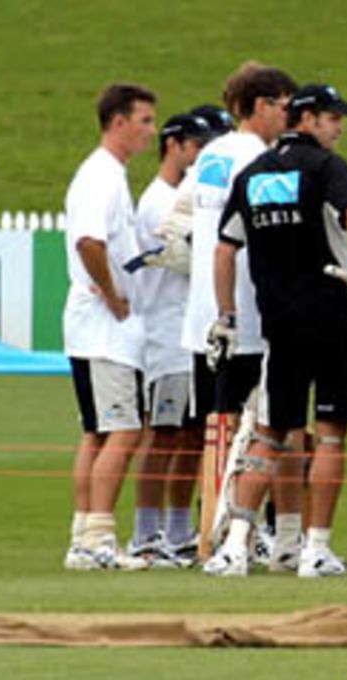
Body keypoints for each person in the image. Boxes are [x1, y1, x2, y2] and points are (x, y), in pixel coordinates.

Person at [205, 83, 347, 578]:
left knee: (271, 432)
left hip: (278, 320)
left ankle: (236, 546)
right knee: (328, 435)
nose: (339, 126)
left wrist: (227, 313)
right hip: (331, 313)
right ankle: (315, 549)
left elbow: (224, 249)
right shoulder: (326, 167)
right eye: (332, 117)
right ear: (307, 118)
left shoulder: (253, 172)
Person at [177, 63, 301, 566]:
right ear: (263, 105)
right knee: (254, 429)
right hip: (245, 314)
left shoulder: (211, 153)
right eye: (284, 106)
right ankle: (234, 534)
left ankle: (218, 531)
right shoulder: (258, 159)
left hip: (204, 316)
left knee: (218, 427)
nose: (289, 116)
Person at [61, 83, 158, 571]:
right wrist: (114, 293)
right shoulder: (101, 176)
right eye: (144, 120)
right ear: (118, 122)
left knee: (98, 433)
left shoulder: (105, 174)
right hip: (105, 327)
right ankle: (99, 538)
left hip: (88, 326)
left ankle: (84, 532)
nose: (150, 130)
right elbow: (89, 242)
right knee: (124, 430)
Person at [126, 112, 216, 567]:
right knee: (163, 435)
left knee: (195, 436)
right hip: (165, 332)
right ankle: (145, 534)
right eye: (199, 145)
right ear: (175, 145)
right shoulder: (159, 201)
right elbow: (182, 259)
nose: (206, 155)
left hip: (192, 332)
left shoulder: (189, 196)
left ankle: (179, 531)